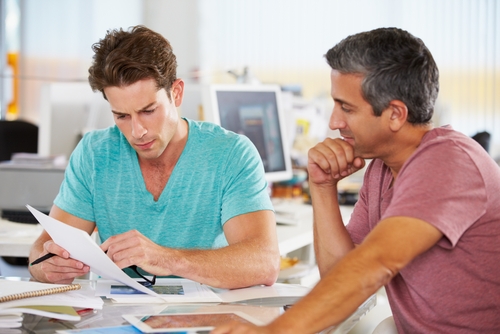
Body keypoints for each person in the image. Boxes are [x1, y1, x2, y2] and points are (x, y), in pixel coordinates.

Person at [212, 27, 500, 333]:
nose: (334, 122)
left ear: (395, 114)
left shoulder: (448, 162)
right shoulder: (382, 169)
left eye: (346, 108)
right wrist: (322, 186)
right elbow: (340, 273)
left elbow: (374, 263)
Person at [28, 25, 280, 289]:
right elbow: (38, 254)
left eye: (148, 111)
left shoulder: (231, 154)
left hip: (205, 318)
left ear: (177, 93)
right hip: (118, 317)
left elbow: (264, 263)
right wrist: (47, 267)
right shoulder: (94, 153)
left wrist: (167, 259)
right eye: (122, 116)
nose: (137, 132)